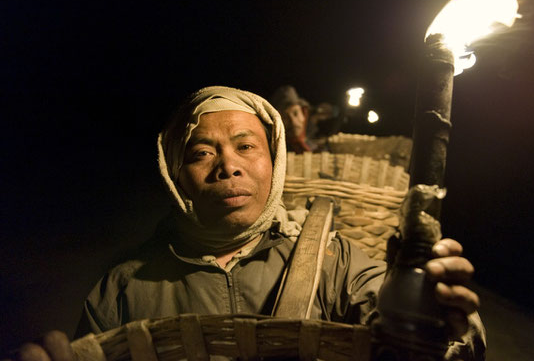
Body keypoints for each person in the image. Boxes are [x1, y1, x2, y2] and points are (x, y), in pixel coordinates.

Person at [9, 86, 484, 360]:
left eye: (246, 146)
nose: (228, 166)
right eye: (200, 153)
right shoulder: (123, 289)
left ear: (274, 161)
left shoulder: (330, 257)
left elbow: (406, 326)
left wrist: (440, 315)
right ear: (176, 177)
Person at [270, 85, 315, 153]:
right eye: (285, 117)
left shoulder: (318, 146)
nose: (293, 122)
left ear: (303, 114)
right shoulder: (274, 153)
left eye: (295, 113)